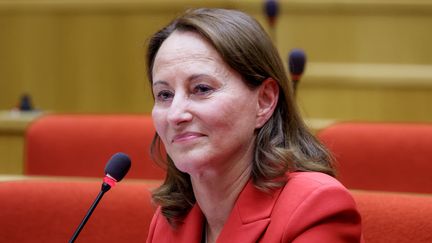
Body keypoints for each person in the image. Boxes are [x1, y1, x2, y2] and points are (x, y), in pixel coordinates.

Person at [145, 8, 362, 243]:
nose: (175, 114)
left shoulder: (315, 208)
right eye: (165, 94)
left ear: (264, 101)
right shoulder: (172, 219)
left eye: (202, 89)